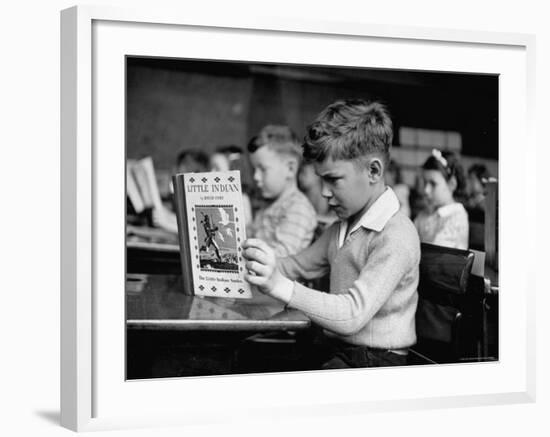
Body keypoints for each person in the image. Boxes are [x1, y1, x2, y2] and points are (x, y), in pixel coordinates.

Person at [243, 99, 420, 369]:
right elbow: (294, 266)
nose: (324, 192)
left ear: (373, 171)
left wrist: (279, 285)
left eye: (333, 179)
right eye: (321, 179)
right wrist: (256, 263)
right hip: (337, 348)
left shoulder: (396, 235)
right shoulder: (342, 226)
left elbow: (351, 314)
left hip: (375, 362)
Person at [247, 124, 317, 257]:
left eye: (263, 169)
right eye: (254, 170)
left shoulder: (298, 208)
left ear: (290, 169)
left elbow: (284, 256)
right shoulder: (267, 205)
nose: (255, 177)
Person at [414, 149, 469, 249]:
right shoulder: (426, 213)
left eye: (433, 184)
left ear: (452, 184)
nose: (426, 190)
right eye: (425, 182)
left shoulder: (456, 216)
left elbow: (435, 256)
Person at [152, 148, 209, 233]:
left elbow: (197, 230)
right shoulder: (175, 192)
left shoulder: (205, 197)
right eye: (185, 165)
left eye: (195, 170)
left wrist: (166, 224)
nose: (187, 169)